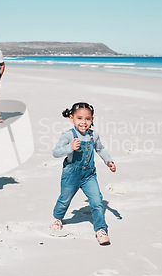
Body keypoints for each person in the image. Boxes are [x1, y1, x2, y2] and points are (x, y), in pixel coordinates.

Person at [50, 102, 117, 245]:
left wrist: (108, 161)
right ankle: (56, 217)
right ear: (71, 118)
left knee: (97, 202)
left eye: (87, 119)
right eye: (79, 118)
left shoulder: (94, 135)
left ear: (92, 120)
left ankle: (100, 229)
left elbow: (100, 149)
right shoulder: (68, 135)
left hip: (89, 175)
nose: (83, 122)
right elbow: (56, 152)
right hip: (71, 174)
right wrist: (70, 147)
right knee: (64, 200)